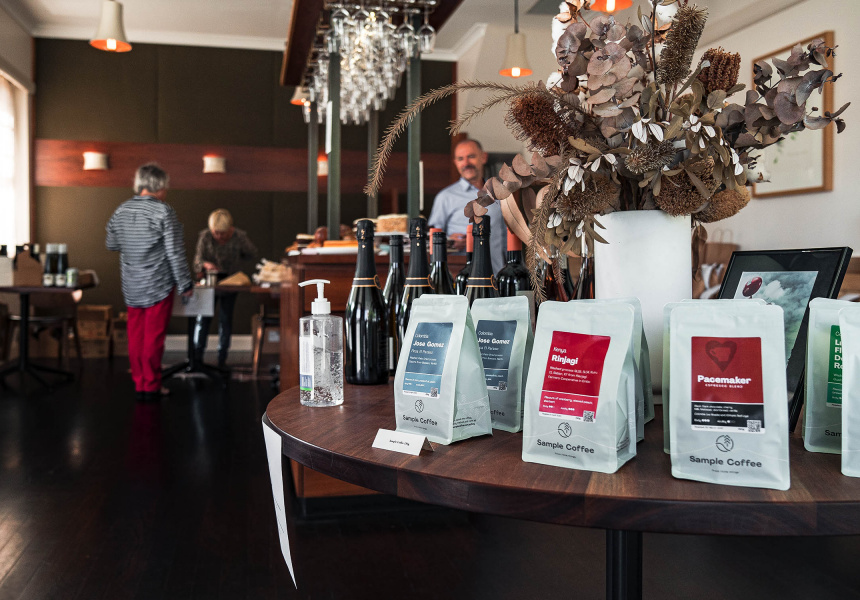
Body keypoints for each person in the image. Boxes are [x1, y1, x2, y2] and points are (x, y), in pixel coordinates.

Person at [106, 163, 193, 402]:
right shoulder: (164, 212)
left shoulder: (121, 210)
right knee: (153, 337)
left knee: (136, 336)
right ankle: (152, 385)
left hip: (131, 285)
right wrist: (185, 283)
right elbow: (175, 252)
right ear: (159, 186)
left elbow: (111, 244)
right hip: (158, 285)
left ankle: (141, 383)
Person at [428, 139, 507, 274]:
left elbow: (507, 238)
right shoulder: (445, 197)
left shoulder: (500, 195)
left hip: (496, 275)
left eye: (471, 156)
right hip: (460, 276)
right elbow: (432, 240)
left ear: (483, 157)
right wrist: (450, 243)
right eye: (460, 159)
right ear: (455, 163)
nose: (466, 163)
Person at [192, 209, 257, 368]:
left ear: (230, 229)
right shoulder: (205, 236)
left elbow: (251, 253)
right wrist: (206, 265)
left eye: (223, 233)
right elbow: (197, 261)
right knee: (203, 319)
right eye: (216, 233)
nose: (220, 236)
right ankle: (197, 358)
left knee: (225, 320)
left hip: (230, 284)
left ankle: (222, 359)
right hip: (210, 284)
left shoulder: (239, 236)